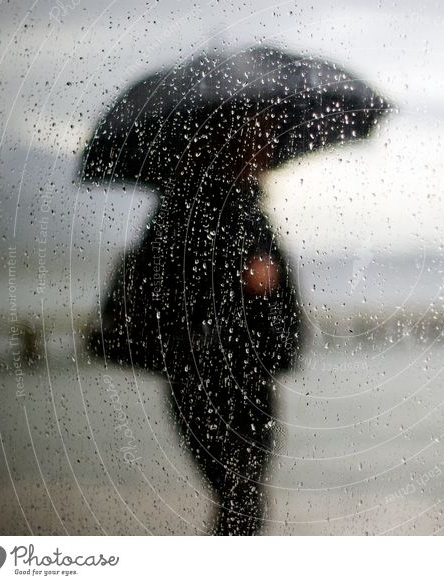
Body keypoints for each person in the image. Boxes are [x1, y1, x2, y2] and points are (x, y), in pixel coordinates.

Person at [91, 112, 302, 535]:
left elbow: (285, 317)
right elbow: (173, 298)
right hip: (212, 384)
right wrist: (244, 284)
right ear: (222, 145)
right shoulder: (197, 216)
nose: (265, 147)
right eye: (252, 136)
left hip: (236, 381)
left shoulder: (241, 212)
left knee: (241, 498)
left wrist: (265, 291)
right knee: (241, 499)